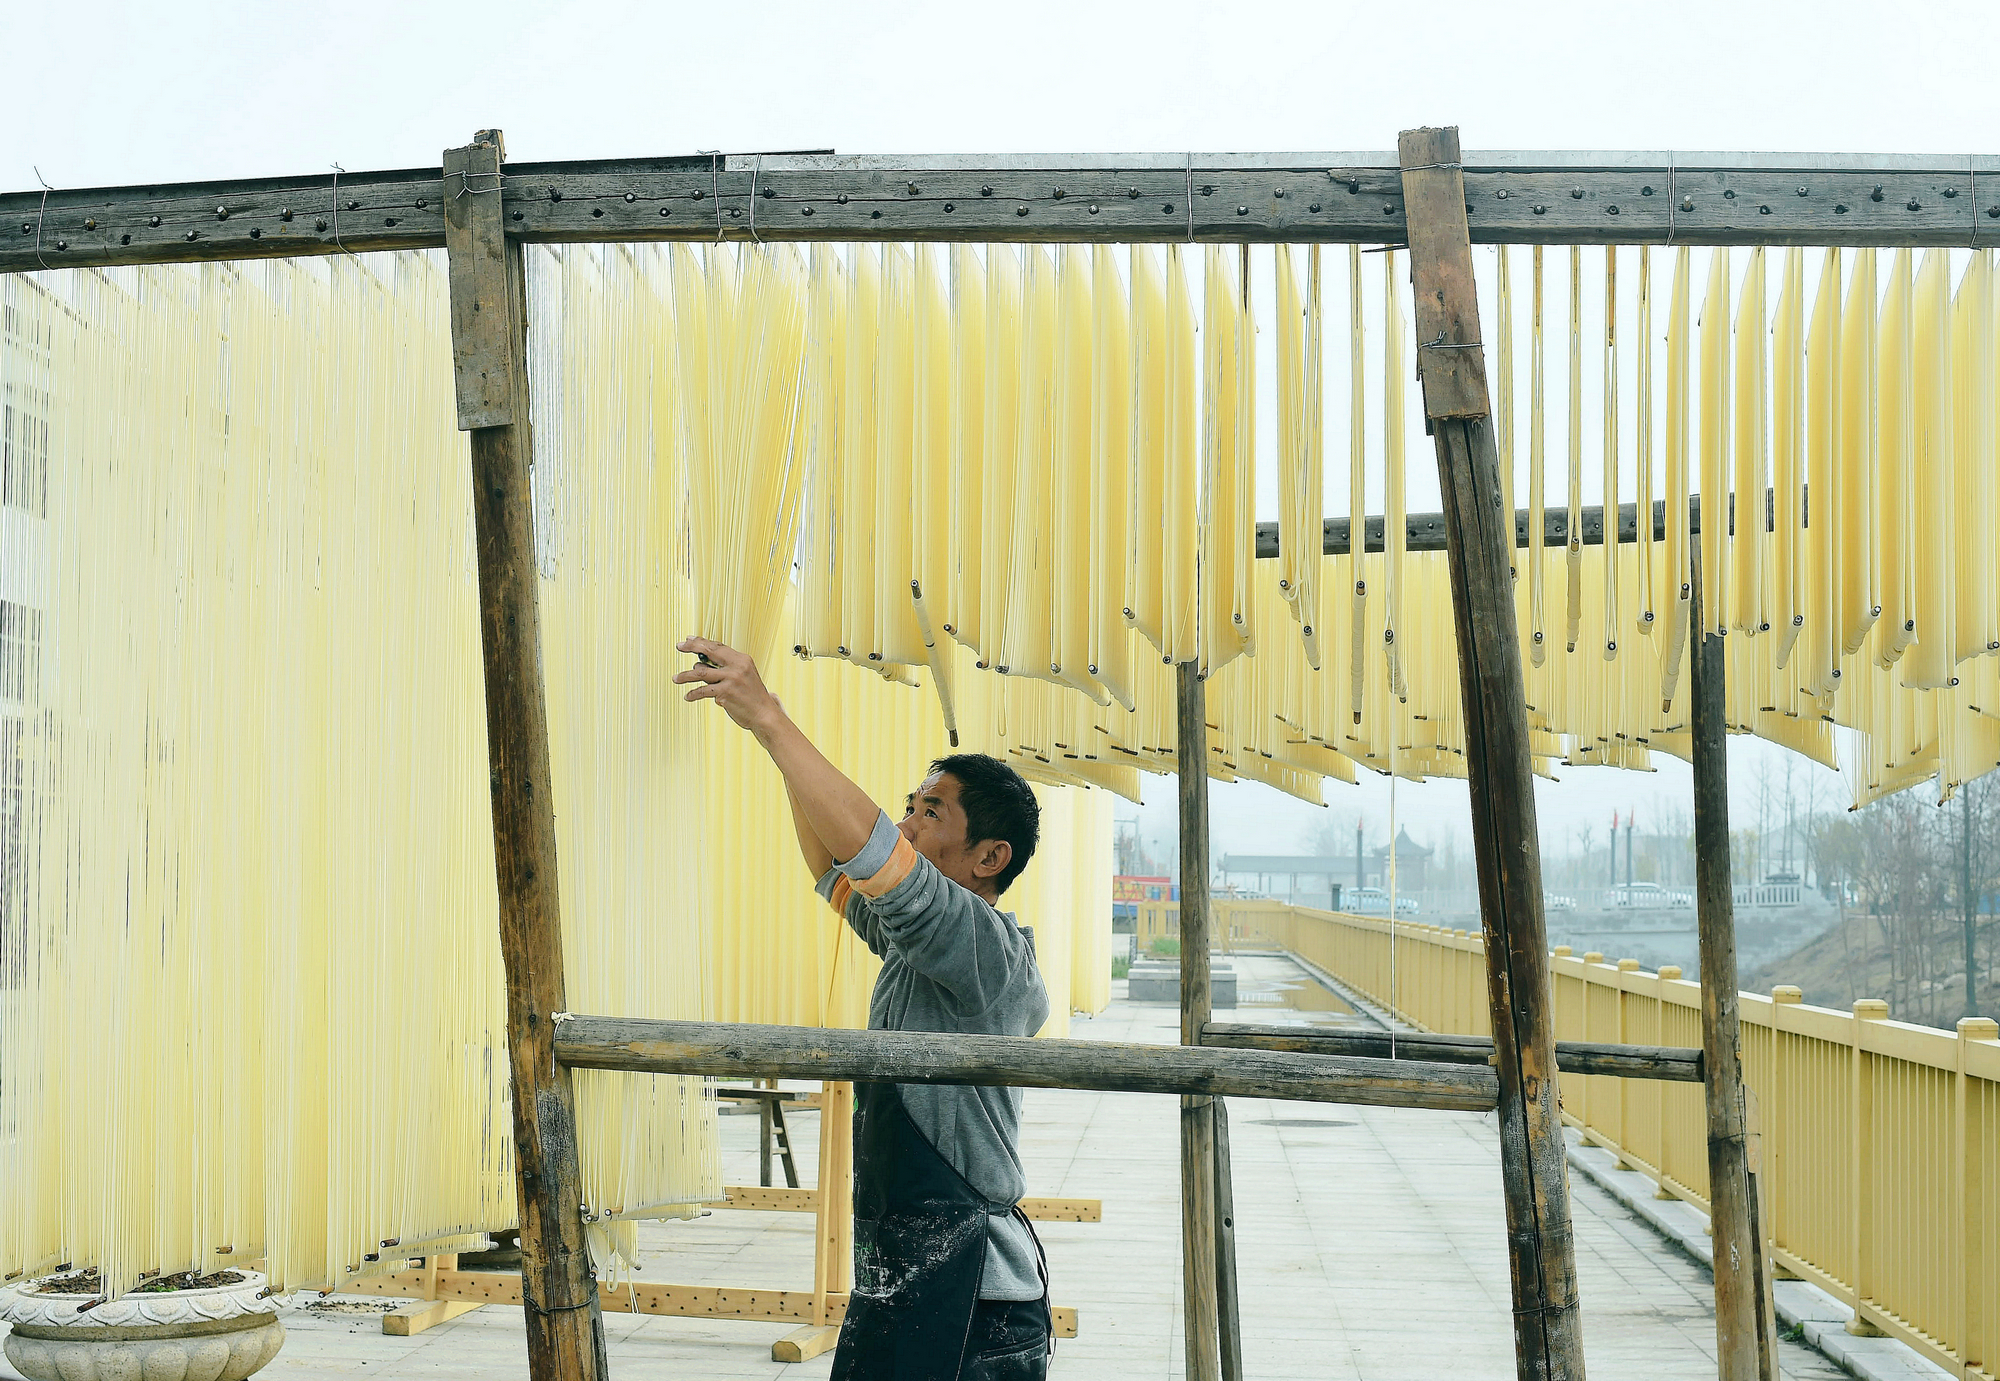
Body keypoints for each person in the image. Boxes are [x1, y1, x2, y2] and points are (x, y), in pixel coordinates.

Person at [675, 636, 1054, 1381]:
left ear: (989, 857)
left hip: (976, 1303)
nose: (908, 824)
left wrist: (774, 716)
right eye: (909, 806)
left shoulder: (985, 950)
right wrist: (766, 738)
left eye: (930, 812)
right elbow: (835, 861)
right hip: (911, 1275)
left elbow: (877, 853)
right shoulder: (919, 945)